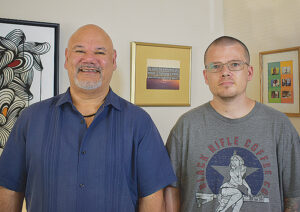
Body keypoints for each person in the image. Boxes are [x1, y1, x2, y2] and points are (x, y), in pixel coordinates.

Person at [0, 24, 176, 212]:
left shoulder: (140, 122)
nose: (89, 59)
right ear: (67, 58)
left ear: (114, 60)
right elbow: (9, 190)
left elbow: (152, 198)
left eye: (100, 53)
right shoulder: (31, 119)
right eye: (80, 50)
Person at [164, 36, 300, 212]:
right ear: (206, 76)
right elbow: (171, 190)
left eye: (235, 64)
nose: (225, 72)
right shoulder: (186, 126)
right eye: (216, 66)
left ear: (249, 72)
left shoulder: (280, 125)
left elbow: (294, 195)